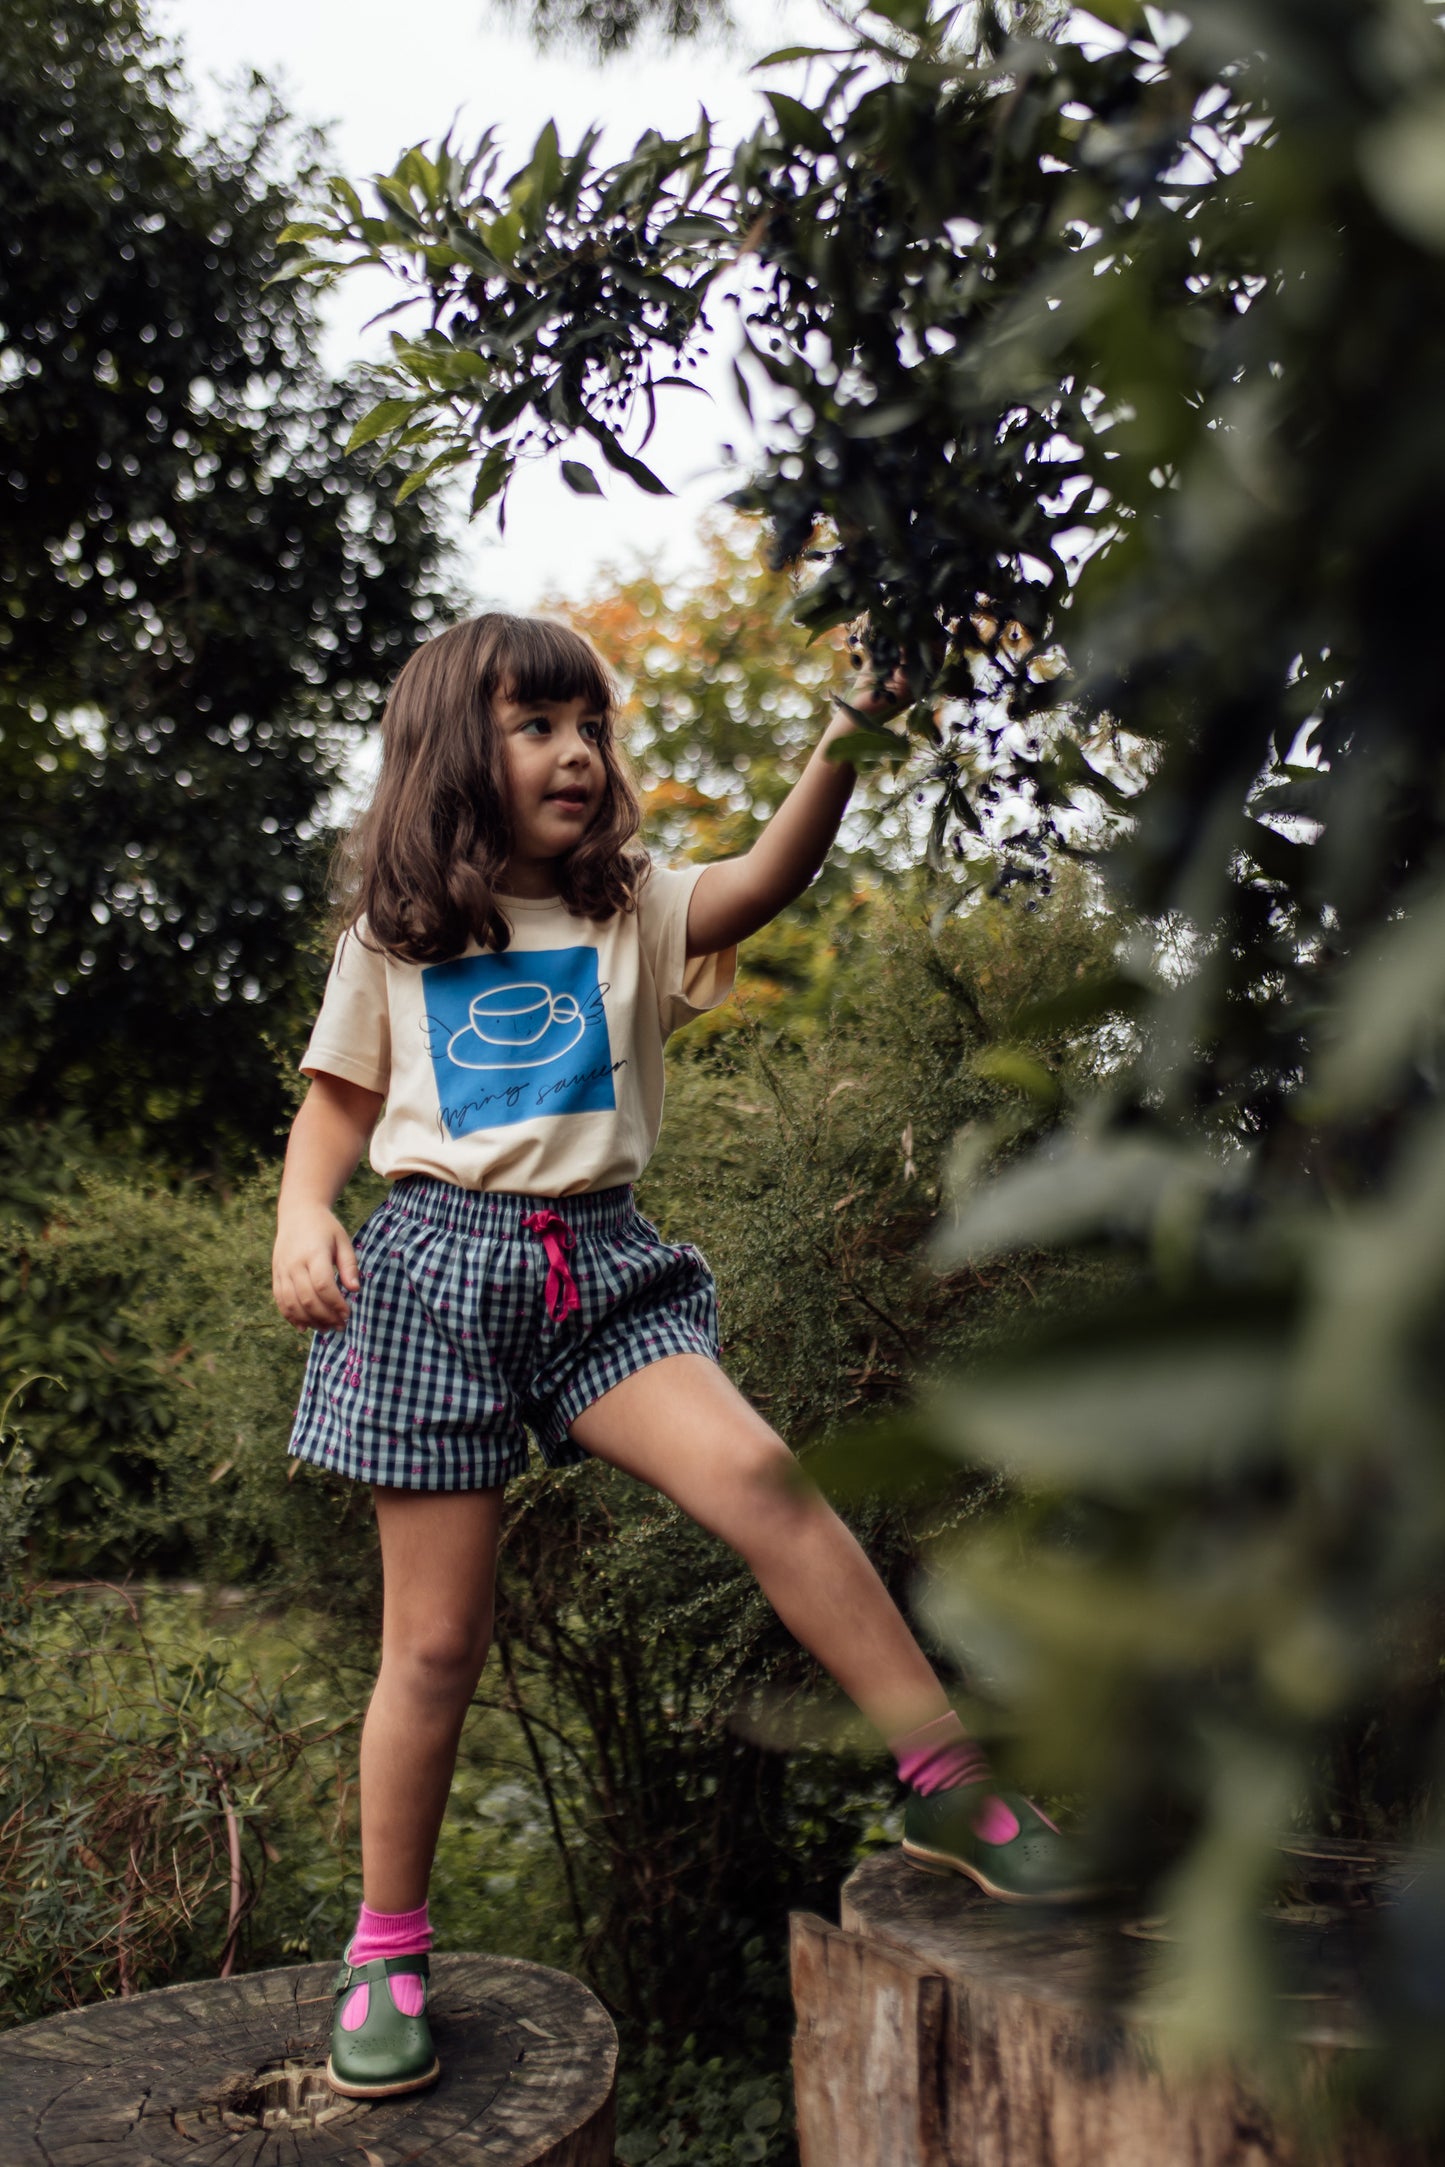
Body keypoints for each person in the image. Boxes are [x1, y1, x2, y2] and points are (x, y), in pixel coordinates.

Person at [272, 612, 1098, 2102]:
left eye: (590, 724)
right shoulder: (394, 941)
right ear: (460, 754)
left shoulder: (633, 907)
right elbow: (336, 1102)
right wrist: (299, 1216)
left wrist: (852, 724)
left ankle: (945, 1784)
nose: (578, 752)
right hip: (429, 1281)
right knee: (439, 1646)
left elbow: (768, 880)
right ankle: (386, 1945)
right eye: (537, 725)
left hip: (601, 1272)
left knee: (771, 1486)